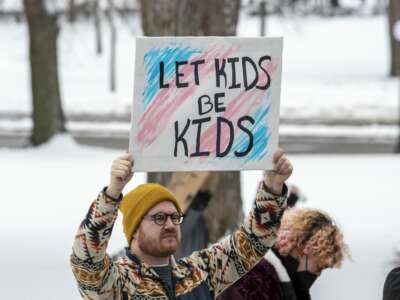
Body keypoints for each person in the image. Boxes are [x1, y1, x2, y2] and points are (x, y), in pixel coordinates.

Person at [70, 149, 293, 299]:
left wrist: (272, 188)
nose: (170, 224)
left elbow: (253, 242)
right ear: (135, 230)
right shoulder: (116, 283)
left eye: (175, 217)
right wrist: (112, 194)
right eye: (158, 218)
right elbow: (85, 262)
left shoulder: (199, 272)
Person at [218, 208, 347, 300]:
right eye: (319, 268)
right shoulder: (253, 278)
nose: (318, 274)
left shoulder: (282, 283)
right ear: (303, 247)